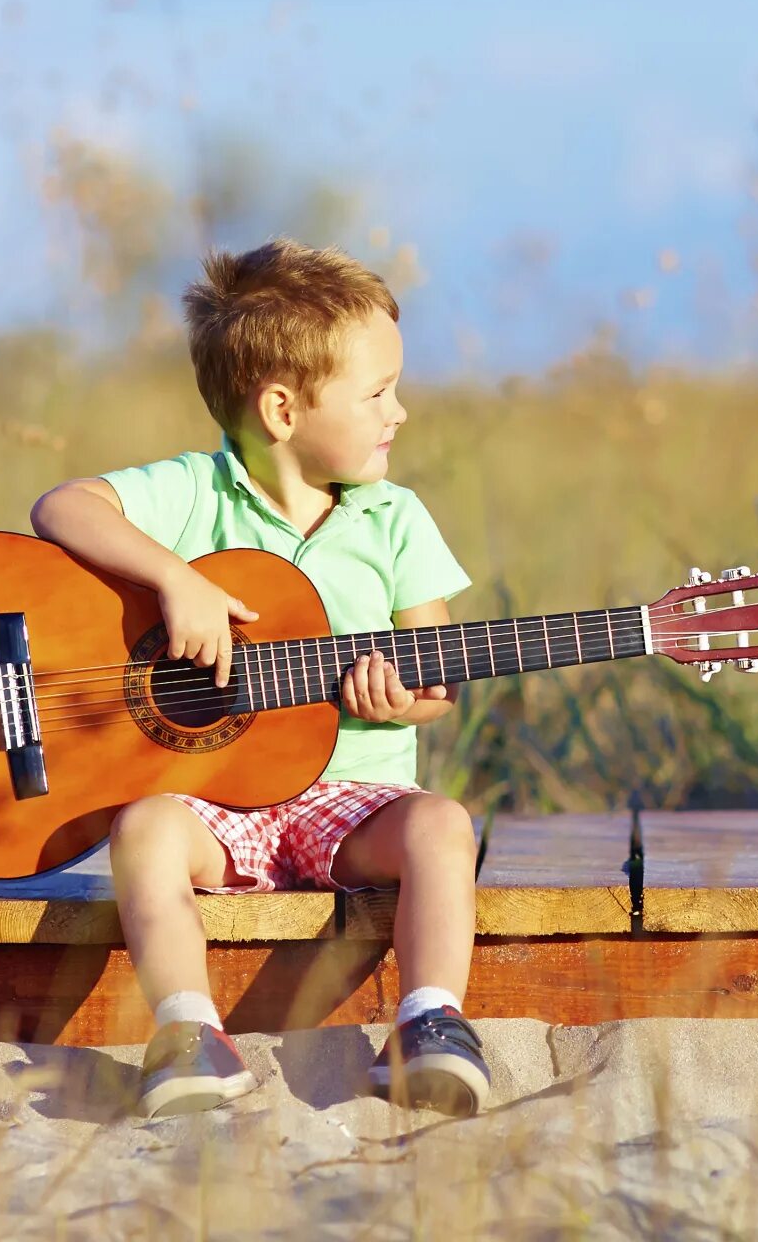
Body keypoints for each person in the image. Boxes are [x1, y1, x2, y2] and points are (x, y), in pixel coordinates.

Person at [30, 239, 488, 1119]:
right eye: (377, 393)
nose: (401, 411)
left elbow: (438, 678)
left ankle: (431, 1021)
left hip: (348, 803)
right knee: (142, 831)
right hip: (210, 802)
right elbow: (62, 507)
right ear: (282, 408)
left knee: (441, 825)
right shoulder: (195, 492)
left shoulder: (394, 518)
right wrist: (176, 579)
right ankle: (187, 1028)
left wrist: (408, 699)